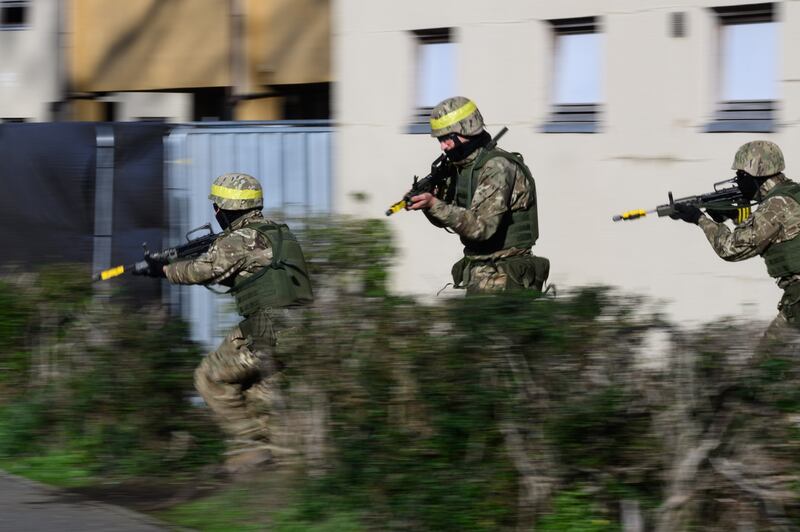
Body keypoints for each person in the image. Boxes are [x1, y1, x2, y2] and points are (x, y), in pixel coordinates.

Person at [138, 172, 313, 473]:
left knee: (210, 377)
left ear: (223, 209)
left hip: (265, 330)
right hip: (299, 330)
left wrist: (163, 270)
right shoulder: (279, 232)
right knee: (262, 395)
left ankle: (248, 448)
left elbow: (200, 271)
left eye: (216, 207)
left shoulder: (239, 239)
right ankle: (283, 469)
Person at [407, 96, 549, 294]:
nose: (443, 146)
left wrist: (433, 204)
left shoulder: (496, 167)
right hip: (482, 274)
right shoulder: (462, 168)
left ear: (467, 130)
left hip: (506, 277)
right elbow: (448, 218)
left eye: (448, 137)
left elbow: (481, 229)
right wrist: (428, 205)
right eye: (440, 139)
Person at [670, 140, 800, 342]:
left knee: (768, 365)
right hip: (795, 298)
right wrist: (733, 215)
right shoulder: (792, 193)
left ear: (755, 174)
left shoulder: (775, 205)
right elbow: (778, 230)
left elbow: (730, 249)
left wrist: (700, 219)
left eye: (740, 176)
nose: (737, 181)